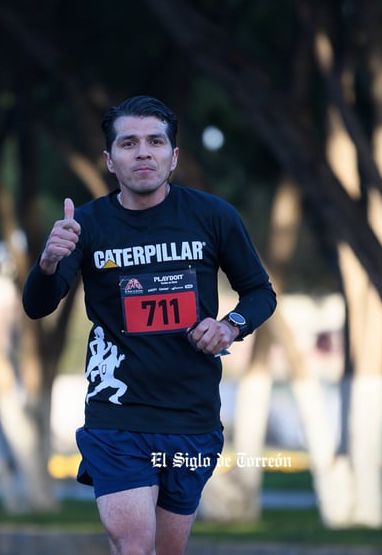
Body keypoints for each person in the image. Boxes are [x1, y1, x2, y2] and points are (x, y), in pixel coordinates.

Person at [22, 95, 276, 555]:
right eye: (129, 143)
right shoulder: (86, 225)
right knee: (136, 547)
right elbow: (39, 307)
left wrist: (230, 326)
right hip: (117, 416)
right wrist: (46, 262)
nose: (143, 152)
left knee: (165, 552)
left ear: (173, 157)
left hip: (191, 419)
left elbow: (260, 292)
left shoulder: (213, 217)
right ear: (109, 160)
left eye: (156, 142)